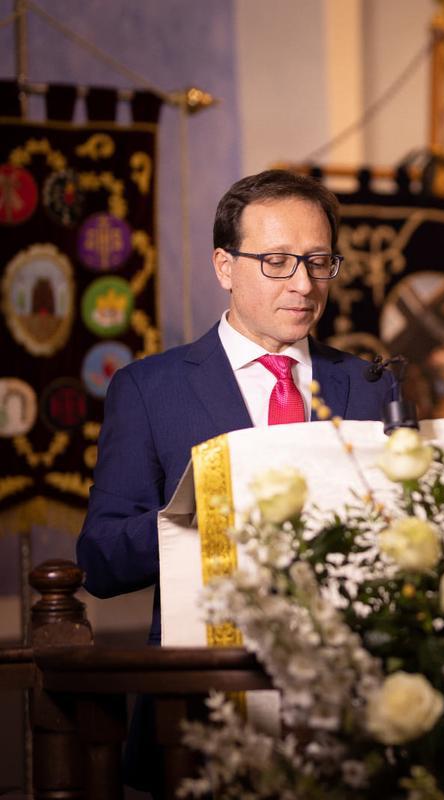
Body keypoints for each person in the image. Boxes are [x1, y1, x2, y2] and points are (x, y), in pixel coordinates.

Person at [75, 170, 394, 792]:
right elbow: (102, 561)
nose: (303, 284)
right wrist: (198, 511)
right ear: (225, 266)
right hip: (201, 706)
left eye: (318, 261)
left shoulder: (373, 384)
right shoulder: (148, 389)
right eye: (276, 262)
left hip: (352, 713)